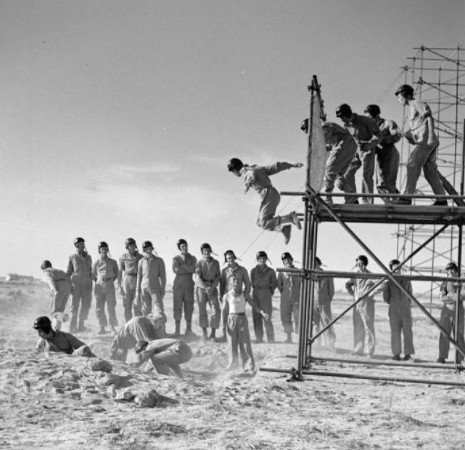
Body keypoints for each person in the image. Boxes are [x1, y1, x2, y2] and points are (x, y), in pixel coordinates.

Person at [227, 158, 303, 244]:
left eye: (232, 172)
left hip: (269, 195)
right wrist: (291, 165)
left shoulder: (246, 172)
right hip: (272, 195)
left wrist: (247, 184)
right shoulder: (256, 168)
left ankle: (290, 217)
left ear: (234, 169)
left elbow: (251, 175)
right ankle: (283, 229)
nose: (233, 174)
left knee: (263, 223)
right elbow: (275, 167)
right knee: (259, 222)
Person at [394, 84, 447, 206]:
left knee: (412, 165)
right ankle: (441, 199)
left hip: (426, 140)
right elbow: (418, 128)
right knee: (429, 171)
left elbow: (430, 119)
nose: (399, 100)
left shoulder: (417, 103)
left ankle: (407, 197)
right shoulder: (410, 111)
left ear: (405, 95)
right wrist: (408, 136)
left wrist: (430, 137)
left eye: (399, 97)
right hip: (424, 141)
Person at [336, 104, 380, 204]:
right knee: (347, 173)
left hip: (367, 149)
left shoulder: (365, 120)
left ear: (347, 115)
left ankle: (367, 201)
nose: (342, 121)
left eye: (342, 117)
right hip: (354, 150)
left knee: (366, 175)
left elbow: (379, 134)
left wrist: (370, 144)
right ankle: (352, 199)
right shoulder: (346, 125)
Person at [222, 275, 268, 372]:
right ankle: (232, 363)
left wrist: (262, 312)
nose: (236, 282)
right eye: (233, 281)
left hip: (242, 319)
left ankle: (249, 364)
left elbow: (254, 305)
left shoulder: (245, 295)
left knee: (245, 343)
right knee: (232, 343)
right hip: (231, 319)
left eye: (238, 281)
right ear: (230, 283)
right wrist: (223, 326)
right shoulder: (227, 296)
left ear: (241, 283)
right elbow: (224, 311)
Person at [364, 104, 401, 202]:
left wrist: (382, 139)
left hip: (390, 154)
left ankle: (393, 205)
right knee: (381, 184)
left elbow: (397, 135)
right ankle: (397, 201)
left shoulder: (388, 123)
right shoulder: (370, 128)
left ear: (376, 115)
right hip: (380, 156)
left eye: (369, 117)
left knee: (387, 183)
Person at [345, 255, 378, 357]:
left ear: (364, 263)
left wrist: (372, 293)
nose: (358, 265)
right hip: (357, 303)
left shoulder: (370, 275)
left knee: (368, 327)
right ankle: (358, 349)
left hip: (367, 303)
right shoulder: (355, 275)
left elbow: (382, 284)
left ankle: (369, 351)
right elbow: (347, 284)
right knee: (358, 326)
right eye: (357, 263)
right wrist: (353, 294)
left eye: (360, 263)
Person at [382, 259, 414, 360]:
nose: (397, 270)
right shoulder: (389, 281)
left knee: (407, 331)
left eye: (398, 268)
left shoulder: (407, 279)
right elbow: (385, 297)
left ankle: (408, 354)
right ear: (391, 269)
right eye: (394, 268)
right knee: (395, 331)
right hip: (393, 308)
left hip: (405, 308)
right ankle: (396, 353)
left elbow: (410, 294)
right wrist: (393, 303)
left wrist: (404, 303)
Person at [219, 250, 251, 342]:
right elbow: (222, 285)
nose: (230, 259)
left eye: (232, 257)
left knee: (238, 316)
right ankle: (224, 335)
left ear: (235, 257)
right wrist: (221, 296)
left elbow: (248, 284)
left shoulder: (243, 270)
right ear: (226, 260)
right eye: (228, 258)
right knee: (225, 315)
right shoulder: (224, 271)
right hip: (227, 296)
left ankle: (238, 336)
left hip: (238, 297)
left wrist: (245, 295)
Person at [437, 262, 465, 363]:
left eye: (452, 269)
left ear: (456, 270)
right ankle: (442, 356)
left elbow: (462, 295)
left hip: (459, 311)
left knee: (459, 334)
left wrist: (450, 296)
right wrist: (454, 296)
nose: (450, 272)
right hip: (446, 311)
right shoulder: (444, 282)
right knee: (444, 333)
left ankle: (459, 358)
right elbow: (442, 298)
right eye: (448, 270)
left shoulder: (462, 281)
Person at [195, 243, 221, 340]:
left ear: (211, 251)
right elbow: (197, 276)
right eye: (204, 251)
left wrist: (212, 287)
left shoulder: (216, 263)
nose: (206, 252)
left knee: (215, 309)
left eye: (208, 250)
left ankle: (213, 333)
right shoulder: (199, 263)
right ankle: (204, 332)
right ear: (202, 252)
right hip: (201, 287)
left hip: (213, 287)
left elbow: (218, 276)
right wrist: (206, 287)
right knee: (202, 310)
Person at [136, 241, 167, 324]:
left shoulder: (159, 261)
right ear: (144, 250)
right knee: (146, 311)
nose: (148, 251)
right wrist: (137, 291)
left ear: (152, 249)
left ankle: (161, 331)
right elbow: (139, 277)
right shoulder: (141, 261)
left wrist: (163, 289)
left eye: (150, 249)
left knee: (158, 310)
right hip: (144, 289)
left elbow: (163, 277)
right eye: (146, 249)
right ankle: (148, 331)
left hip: (155, 288)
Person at [67, 237, 93, 333]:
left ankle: (81, 326)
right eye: (80, 245)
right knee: (74, 306)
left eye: (83, 244)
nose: (82, 246)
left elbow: (91, 271)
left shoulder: (88, 257)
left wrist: (91, 285)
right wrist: (67, 285)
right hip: (76, 286)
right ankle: (72, 328)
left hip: (86, 285)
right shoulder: (72, 257)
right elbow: (69, 272)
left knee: (85, 306)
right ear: (76, 246)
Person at [92, 241, 119, 335]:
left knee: (111, 307)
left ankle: (112, 327)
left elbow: (117, 273)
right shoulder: (96, 263)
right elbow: (92, 274)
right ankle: (102, 327)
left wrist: (110, 280)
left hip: (109, 286)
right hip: (99, 286)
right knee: (99, 307)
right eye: (101, 249)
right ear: (99, 250)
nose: (103, 250)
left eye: (105, 248)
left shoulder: (113, 262)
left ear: (107, 250)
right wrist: (98, 281)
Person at [250, 251, 277, 343]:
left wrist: (269, 291)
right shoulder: (253, 271)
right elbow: (252, 283)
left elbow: (274, 283)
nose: (262, 260)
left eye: (264, 258)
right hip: (256, 292)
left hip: (266, 293)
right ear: (257, 260)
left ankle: (270, 338)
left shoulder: (271, 271)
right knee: (256, 316)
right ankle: (259, 337)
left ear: (266, 259)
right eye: (260, 259)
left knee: (267, 316)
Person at [172, 239, 197, 337]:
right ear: (179, 248)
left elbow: (194, 269)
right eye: (182, 246)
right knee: (177, 306)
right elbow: (176, 270)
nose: (185, 248)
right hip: (178, 285)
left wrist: (183, 266)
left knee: (189, 306)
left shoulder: (193, 258)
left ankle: (189, 329)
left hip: (189, 284)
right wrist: (187, 268)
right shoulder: (176, 258)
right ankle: (177, 330)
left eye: (186, 245)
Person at [277, 252, 301, 343]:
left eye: (288, 259)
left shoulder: (298, 271)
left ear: (291, 260)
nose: (287, 261)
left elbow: (302, 285)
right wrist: (285, 293)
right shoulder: (281, 272)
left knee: (298, 317)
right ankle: (289, 337)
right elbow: (279, 285)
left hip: (296, 298)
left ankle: (300, 337)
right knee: (285, 317)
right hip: (285, 298)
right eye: (284, 260)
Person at [40, 260, 71, 330]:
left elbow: (50, 281)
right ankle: (58, 328)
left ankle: (62, 321)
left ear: (43, 268)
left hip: (59, 290)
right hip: (67, 290)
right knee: (60, 311)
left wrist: (54, 290)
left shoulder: (47, 272)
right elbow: (68, 278)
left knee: (55, 312)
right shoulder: (58, 271)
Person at [313, 257, 336, 349]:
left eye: (316, 264)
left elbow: (331, 291)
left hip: (324, 303)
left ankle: (330, 344)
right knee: (315, 324)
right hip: (313, 303)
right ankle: (317, 344)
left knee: (327, 323)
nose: (314, 266)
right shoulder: (310, 275)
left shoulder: (327, 275)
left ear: (319, 264)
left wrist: (326, 300)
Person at [118, 238, 143, 322]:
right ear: (127, 247)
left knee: (137, 305)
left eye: (133, 245)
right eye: (130, 246)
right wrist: (119, 286)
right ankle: (128, 325)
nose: (132, 247)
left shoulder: (140, 257)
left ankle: (137, 325)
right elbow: (120, 272)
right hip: (127, 280)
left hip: (137, 279)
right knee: (127, 305)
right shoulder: (123, 257)